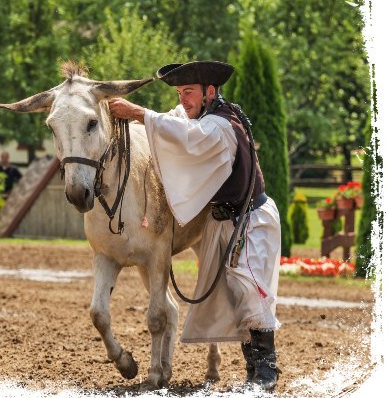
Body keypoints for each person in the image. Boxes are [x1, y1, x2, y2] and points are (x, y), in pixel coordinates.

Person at [108, 61, 281, 391]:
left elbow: (186, 137)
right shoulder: (201, 117)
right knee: (235, 296)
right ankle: (254, 373)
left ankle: (265, 375)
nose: (182, 99)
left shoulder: (219, 126)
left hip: (249, 221)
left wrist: (139, 113)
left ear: (210, 93)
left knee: (250, 291)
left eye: (189, 92)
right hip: (223, 221)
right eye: (179, 92)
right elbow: (173, 124)